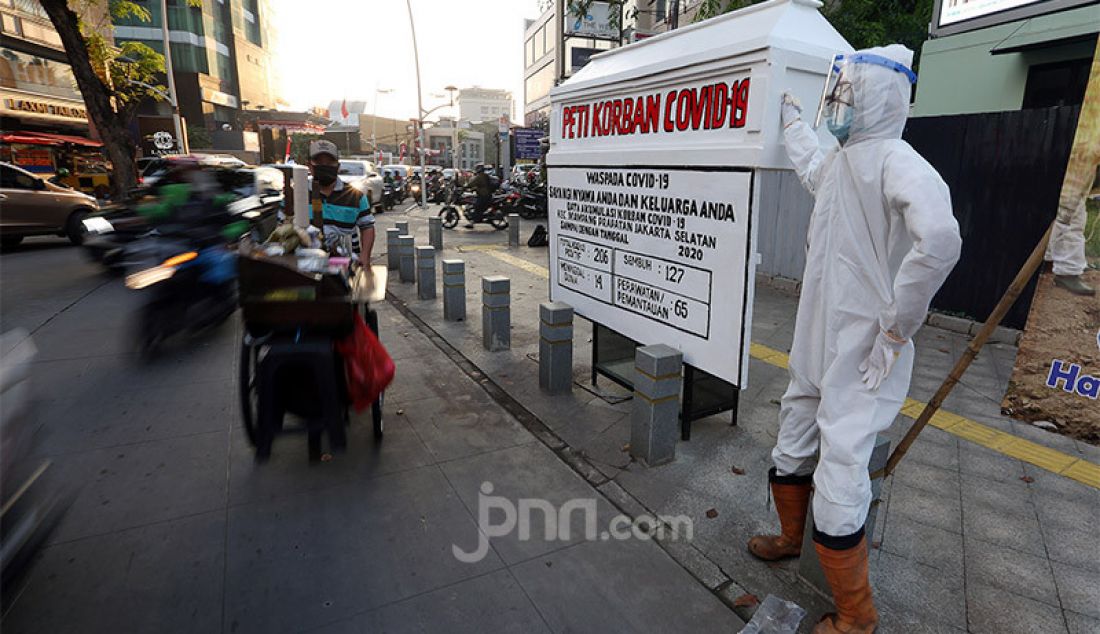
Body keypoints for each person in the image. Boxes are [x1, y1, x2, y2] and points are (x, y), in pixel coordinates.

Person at [752, 45, 962, 634]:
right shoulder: (843, 162)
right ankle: (792, 537)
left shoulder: (899, 161)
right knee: (792, 436)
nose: (836, 106)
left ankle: (855, 615)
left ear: (877, 95)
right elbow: (810, 165)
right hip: (816, 339)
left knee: (841, 467)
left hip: (866, 350)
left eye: (847, 93)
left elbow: (940, 240)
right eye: (834, 94)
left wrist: (897, 328)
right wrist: (794, 123)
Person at [309, 139, 374, 261]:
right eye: (319, 163)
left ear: (338, 167)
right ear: (310, 166)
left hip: (347, 262)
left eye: (329, 163)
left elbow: (367, 227)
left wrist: (365, 258)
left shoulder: (355, 195)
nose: (324, 167)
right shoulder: (297, 195)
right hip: (307, 265)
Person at [466, 164, 493, 229]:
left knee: (476, 207)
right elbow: (480, 186)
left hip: (484, 195)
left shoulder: (480, 176)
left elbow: (472, 183)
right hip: (486, 194)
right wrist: (473, 189)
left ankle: (472, 222)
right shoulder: (484, 176)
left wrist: (465, 186)